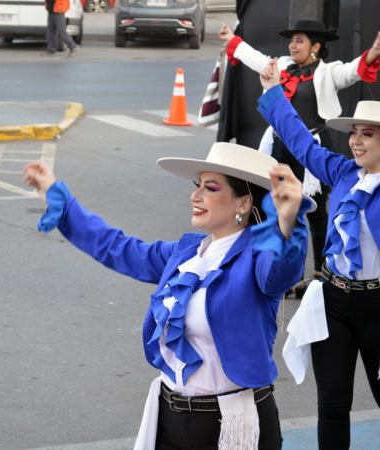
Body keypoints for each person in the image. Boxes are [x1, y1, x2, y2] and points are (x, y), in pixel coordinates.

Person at [23, 143, 314, 450]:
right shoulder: (186, 252)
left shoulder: (259, 259)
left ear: (243, 203)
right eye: (197, 185)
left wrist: (287, 224)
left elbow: (282, 271)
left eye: (210, 188)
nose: (195, 195)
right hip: (168, 418)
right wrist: (59, 198)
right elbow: (118, 248)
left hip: (231, 426)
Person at [259, 57, 380, 450]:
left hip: (378, 305)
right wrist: (272, 92)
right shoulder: (344, 172)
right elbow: (300, 141)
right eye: (355, 133)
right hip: (332, 300)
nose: (356, 141)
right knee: (331, 404)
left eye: (368, 135)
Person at [219, 20, 380, 291]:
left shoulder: (329, 72)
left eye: (300, 40)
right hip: (283, 145)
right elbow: (255, 58)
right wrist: (232, 39)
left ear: (316, 46)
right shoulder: (282, 65)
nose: (293, 45)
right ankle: (281, 272)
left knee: (316, 213)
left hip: (314, 142)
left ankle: (318, 271)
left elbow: (352, 71)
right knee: (279, 206)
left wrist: (374, 53)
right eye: (291, 40)